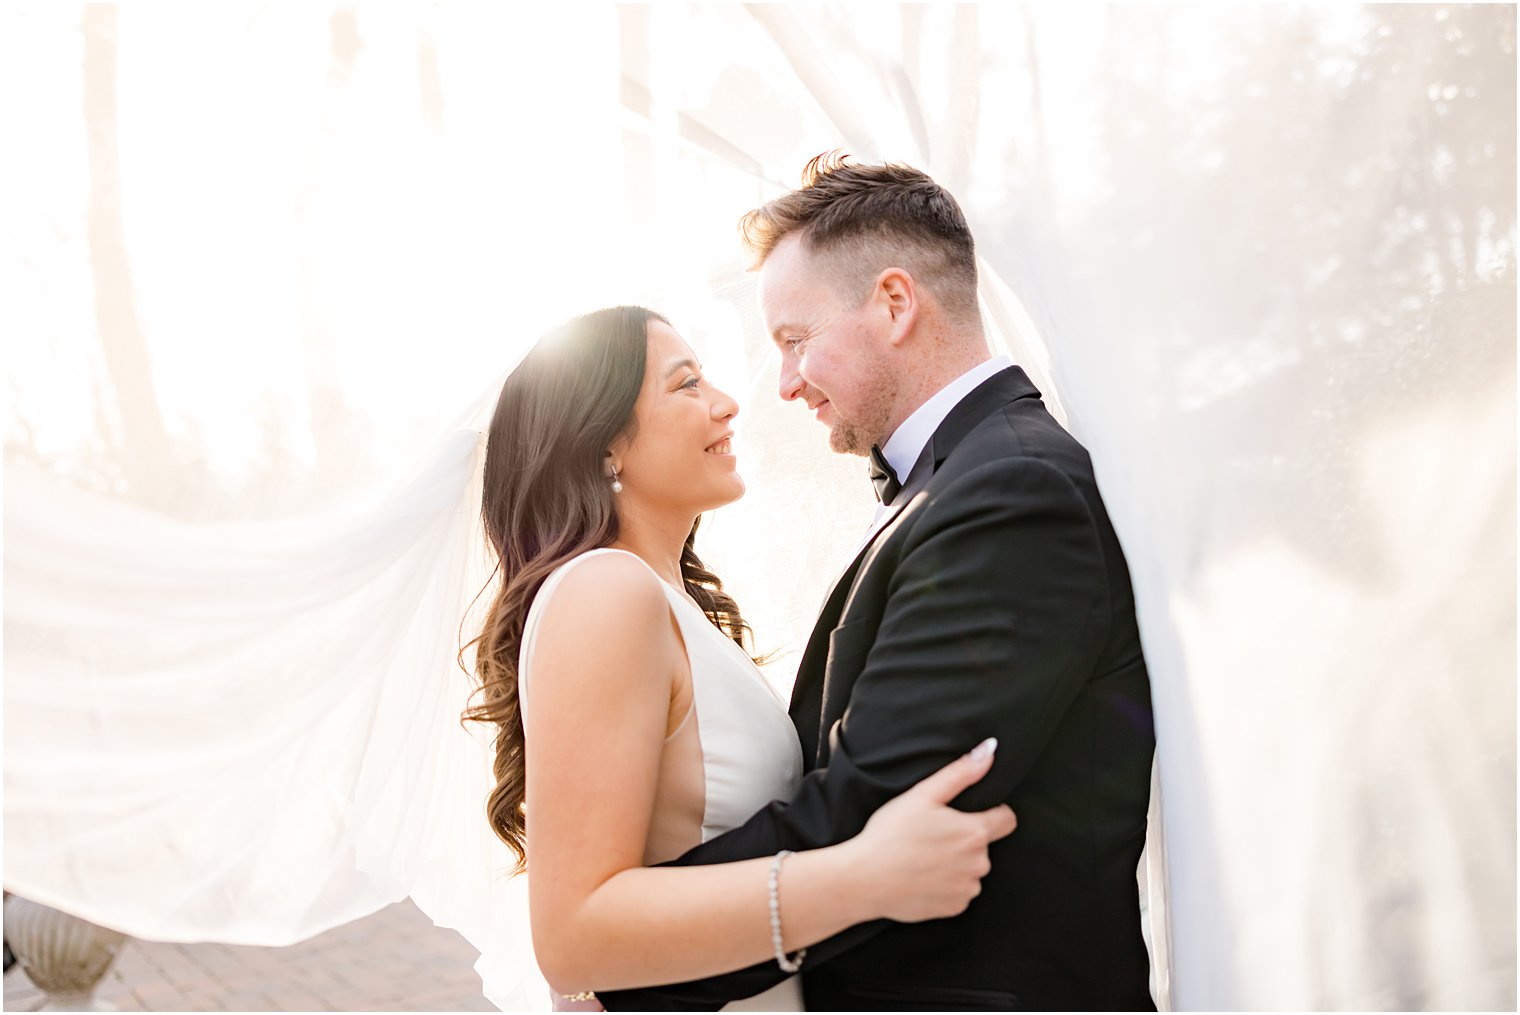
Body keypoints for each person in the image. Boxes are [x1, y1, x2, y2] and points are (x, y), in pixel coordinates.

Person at [597, 156, 1157, 1011]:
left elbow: (869, 810)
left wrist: (627, 961)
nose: (783, 384)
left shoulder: (1011, 493)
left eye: (794, 340)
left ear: (895, 303)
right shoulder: (966, 478)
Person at [463, 304, 1019, 1010]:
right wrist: (866, 876)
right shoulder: (605, 590)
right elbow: (575, 937)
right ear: (605, 445)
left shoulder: (665, 600)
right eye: (686, 383)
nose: (727, 403)